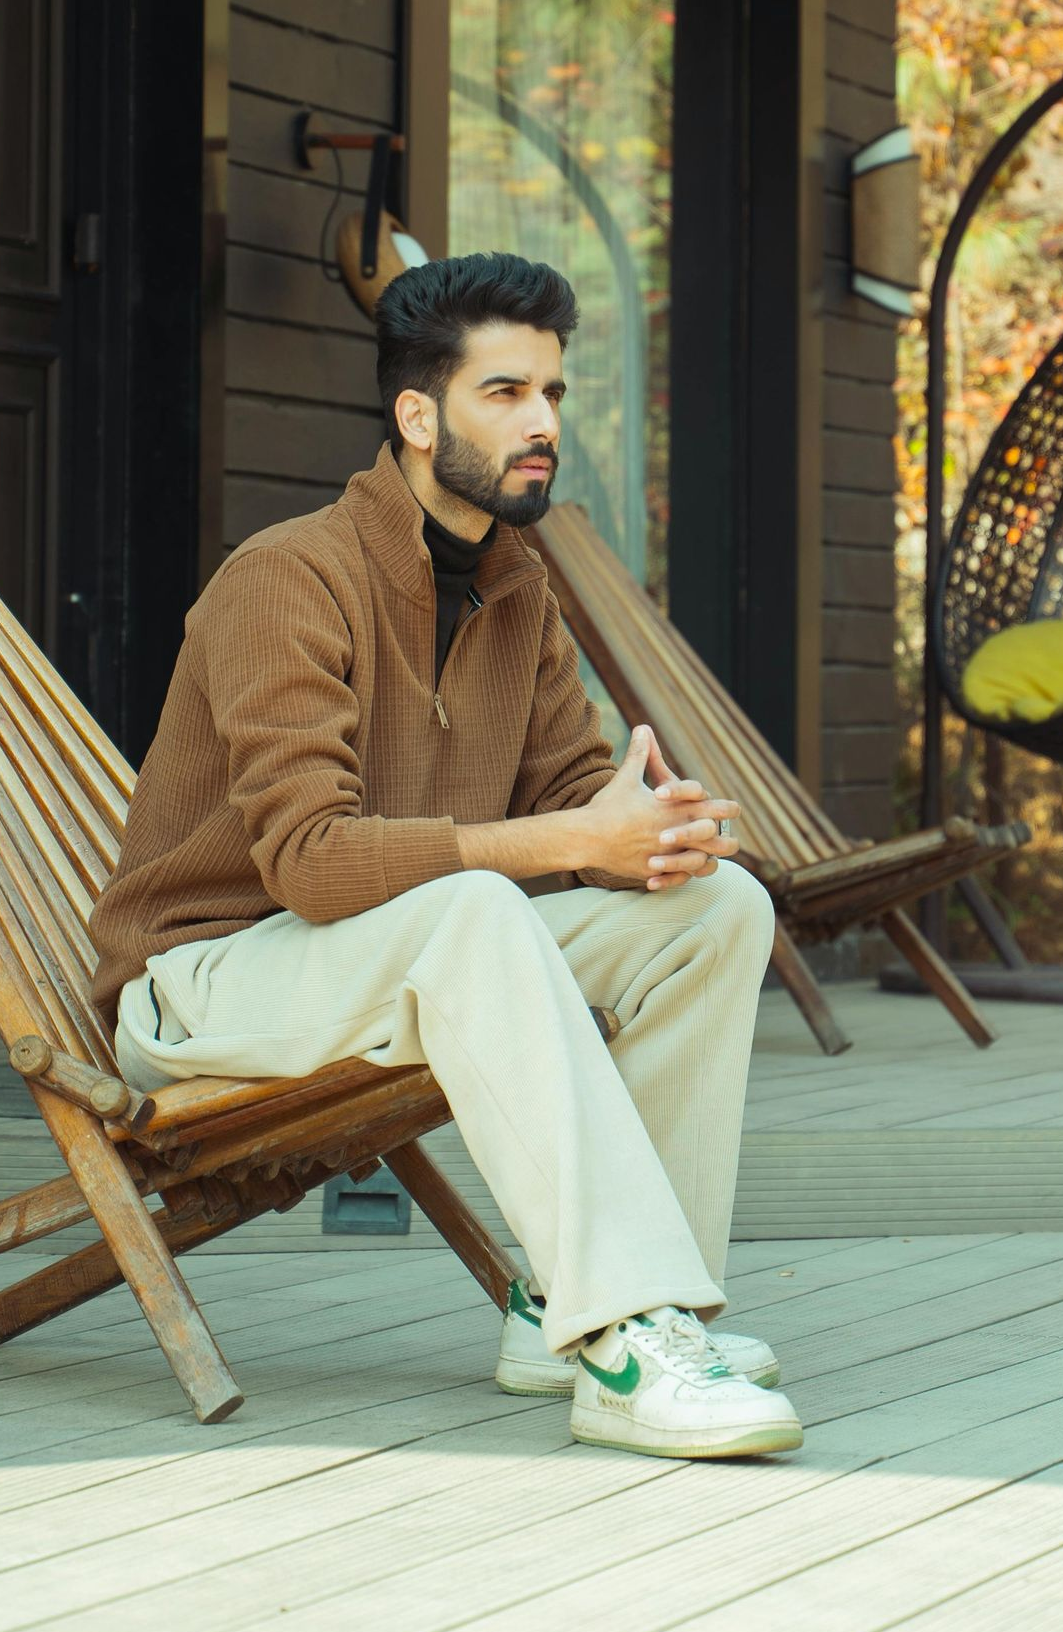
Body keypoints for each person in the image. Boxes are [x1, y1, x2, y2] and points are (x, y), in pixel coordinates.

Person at [89, 250, 800, 1461]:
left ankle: (581, 1308)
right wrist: (575, 837)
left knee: (717, 913)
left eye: (554, 397)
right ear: (418, 417)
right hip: (210, 977)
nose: (542, 427)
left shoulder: (518, 589)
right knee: (477, 910)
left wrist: (645, 835)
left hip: (392, 952)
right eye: (506, 394)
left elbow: (571, 791)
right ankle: (620, 1334)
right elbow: (310, 864)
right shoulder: (288, 577)